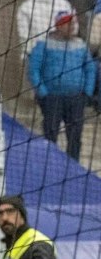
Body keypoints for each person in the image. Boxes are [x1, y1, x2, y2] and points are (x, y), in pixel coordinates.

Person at [28, 11, 97, 159]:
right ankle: (49, 162)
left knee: (75, 136)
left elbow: (90, 69)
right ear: (59, 26)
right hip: (53, 98)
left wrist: (87, 92)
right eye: (68, 23)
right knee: (51, 133)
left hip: (76, 98)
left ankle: (73, 165)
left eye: (73, 23)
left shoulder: (81, 46)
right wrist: (43, 92)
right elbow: (34, 69)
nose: (72, 26)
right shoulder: (44, 45)